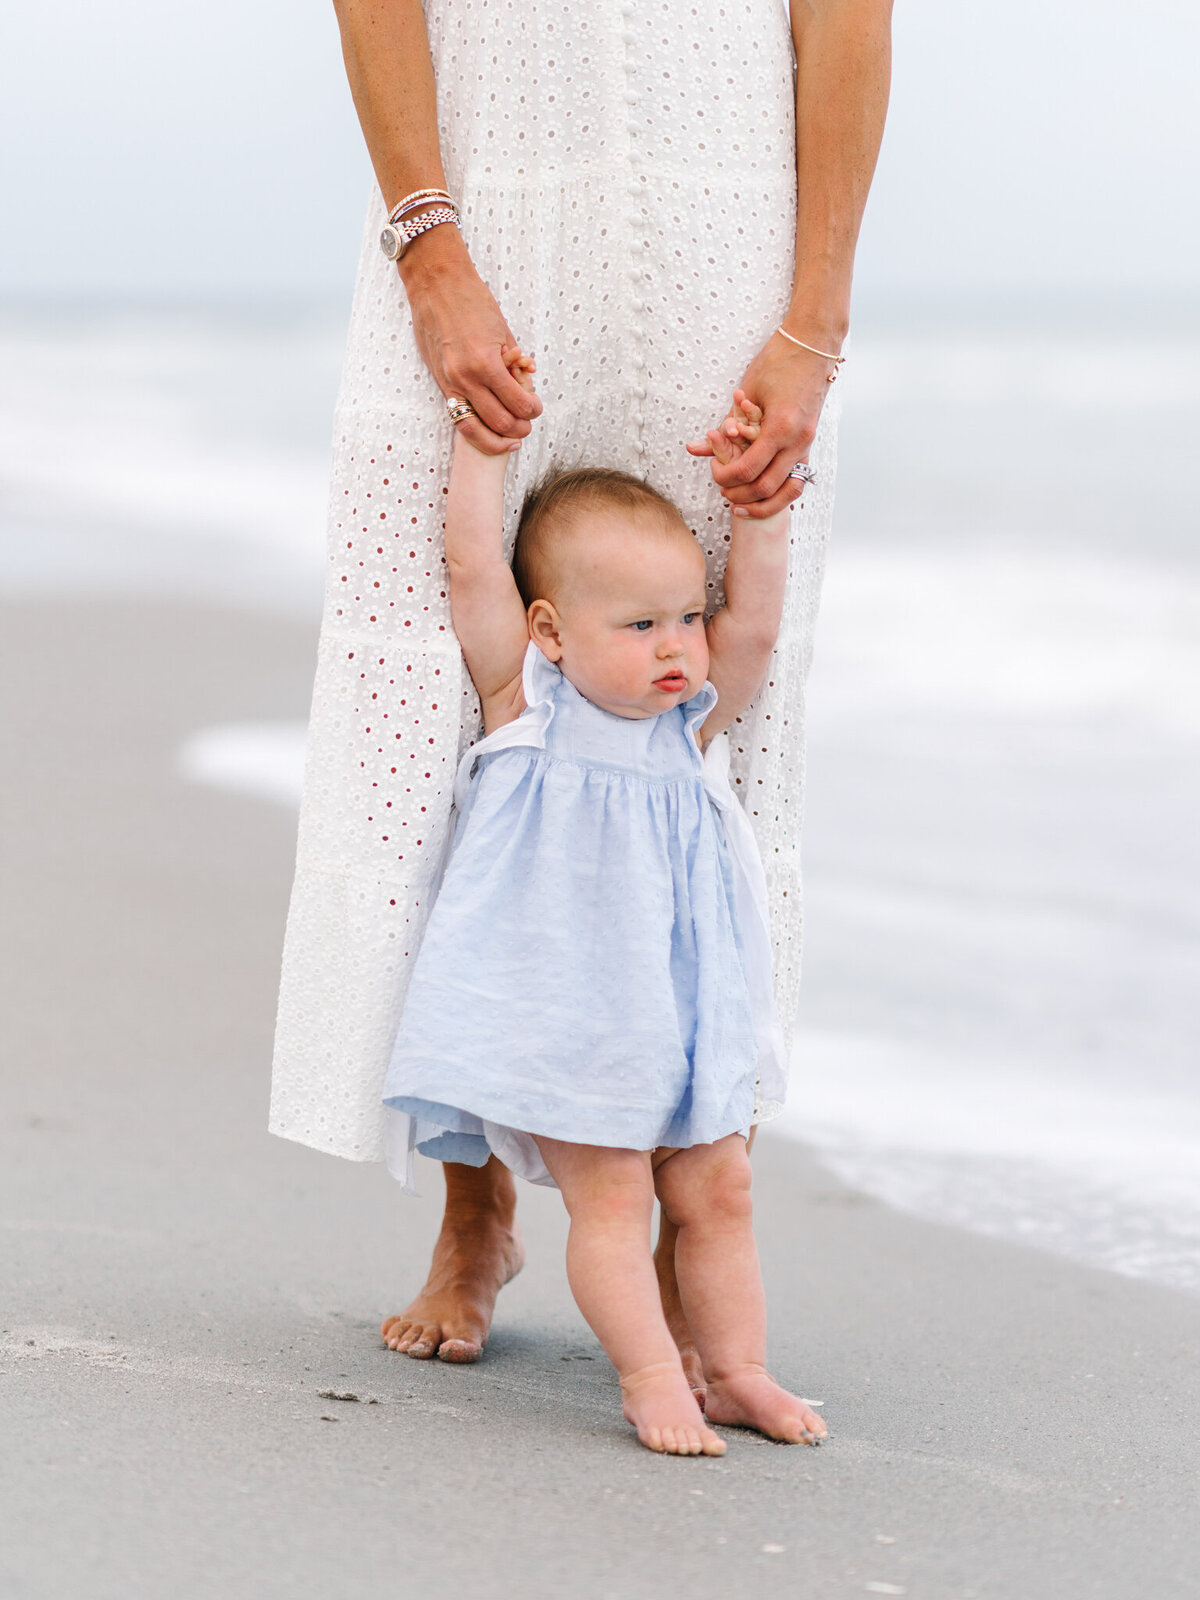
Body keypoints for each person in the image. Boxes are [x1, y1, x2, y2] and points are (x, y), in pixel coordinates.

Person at [269, 0, 893, 1384]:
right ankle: (472, 1199)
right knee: (430, 703)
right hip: (487, 199)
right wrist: (430, 249)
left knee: (713, 712)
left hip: (730, 236)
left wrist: (815, 324)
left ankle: (690, 1205)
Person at [380, 352, 827, 1455]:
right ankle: (647, 1376)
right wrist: (484, 456)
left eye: (683, 617)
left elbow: (758, 631)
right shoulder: (524, 712)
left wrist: (756, 517)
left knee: (721, 1187)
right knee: (616, 1196)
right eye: (640, 626)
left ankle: (737, 1369)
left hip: (682, 1015)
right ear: (550, 633)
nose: (677, 645)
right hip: (571, 1019)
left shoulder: (688, 729)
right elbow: (472, 565)